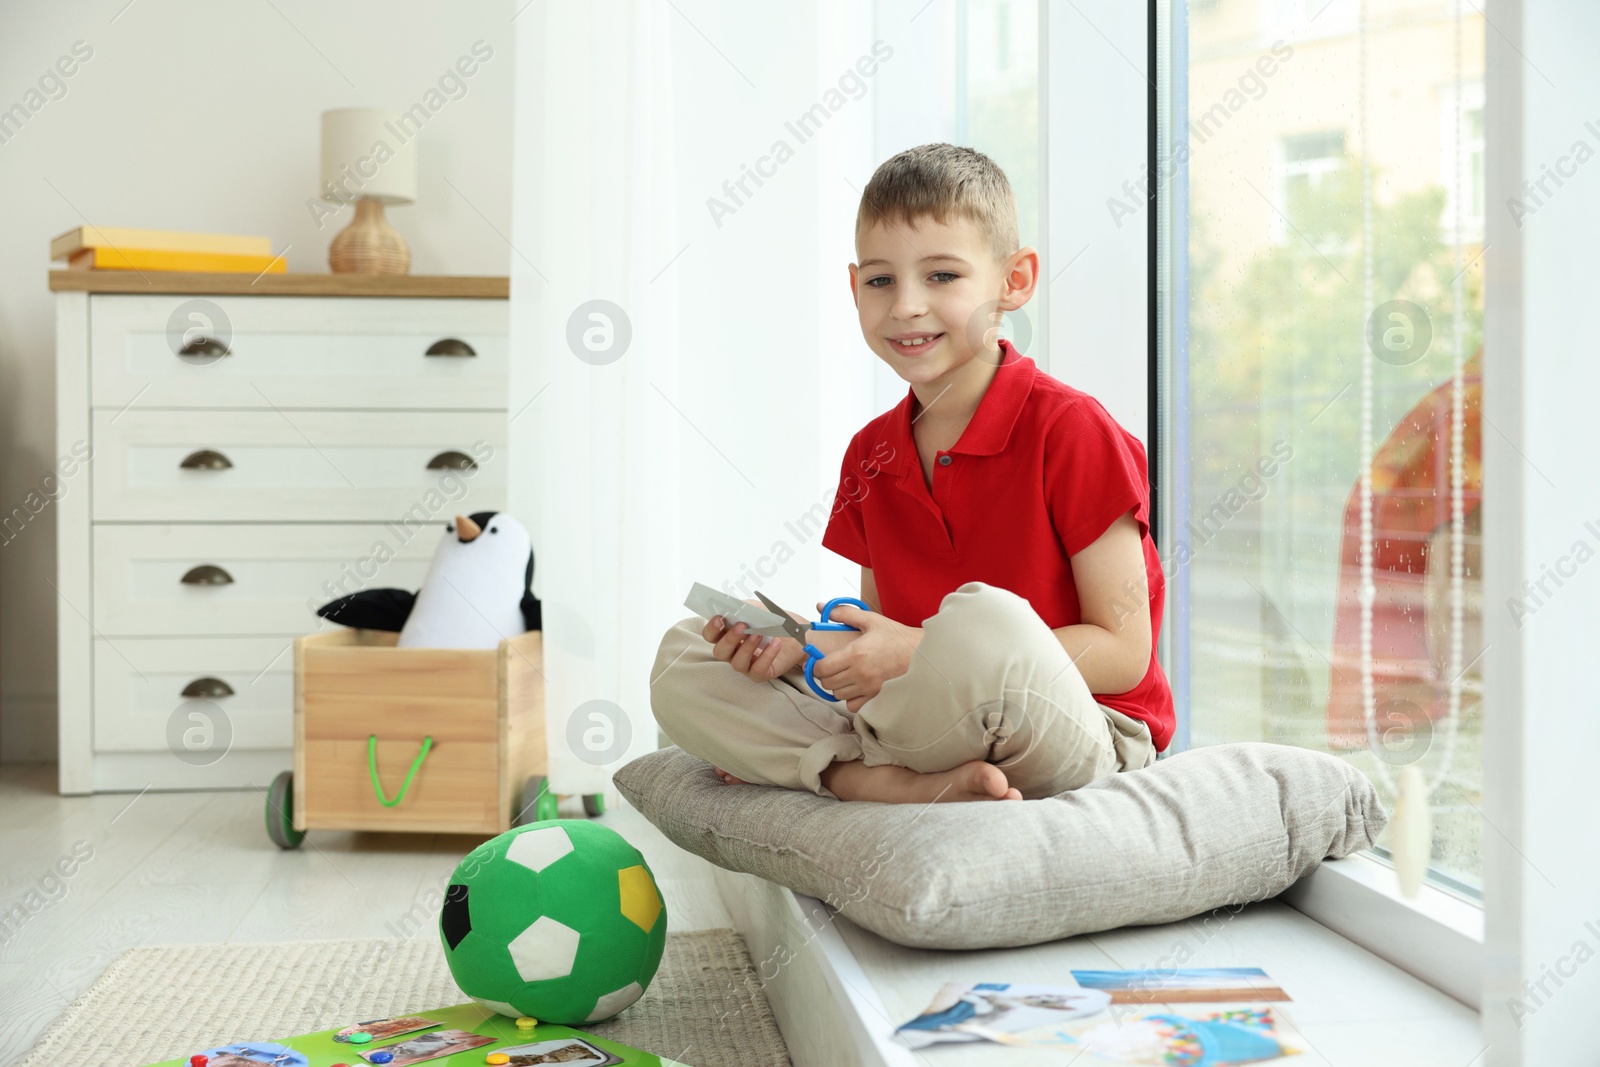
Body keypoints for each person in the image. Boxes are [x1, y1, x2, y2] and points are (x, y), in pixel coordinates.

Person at [650, 143, 1173, 804]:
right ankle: (876, 778)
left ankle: (848, 771)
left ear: (1014, 281)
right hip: (925, 721)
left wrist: (923, 650)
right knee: (685, 653)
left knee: (985, 620)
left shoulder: (1070, 429)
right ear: (854, 288)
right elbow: (883, 643)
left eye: (943, 277)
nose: (906, 306)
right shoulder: (871, 452)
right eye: (880, 281)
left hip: (1078, 724)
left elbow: (1124, 649)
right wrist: (803, 646)